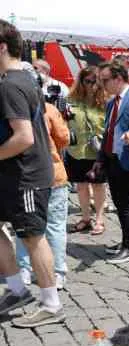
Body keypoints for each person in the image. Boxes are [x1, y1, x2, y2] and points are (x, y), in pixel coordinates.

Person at [0, 19, 65, 327]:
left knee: (33, 238)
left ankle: (52, 304)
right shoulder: (23, 78)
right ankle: (16, 289)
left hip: (26, 175)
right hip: (13, 173)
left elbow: (24, 137)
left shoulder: (12, 84)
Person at [16, 62, 70, 292]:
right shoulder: (49, 109)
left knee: (25, 228)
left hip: (25, 176)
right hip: (53, 174)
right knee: (55, 227)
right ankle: (57, 273)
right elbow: (65, 138)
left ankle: (25, 269)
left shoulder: (13, 109)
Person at [94, 60, 129, 264]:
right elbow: (108, 131)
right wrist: (101, 158)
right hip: (112, 159)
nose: (102, 84)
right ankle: (128, 239)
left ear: (118, 79)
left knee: (124, 204)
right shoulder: (112, 102)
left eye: (105, 80)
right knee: (120, 202)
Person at [66, 66, 107, 236]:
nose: (90, 85)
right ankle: (85, 218)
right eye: (86, 81)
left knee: (98, 186)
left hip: (97, 152)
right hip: (76, 150)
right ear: (81, 82)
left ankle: (99, 219)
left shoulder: (106, 101)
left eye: (94, 81)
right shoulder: (71, 99)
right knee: (81, 186)